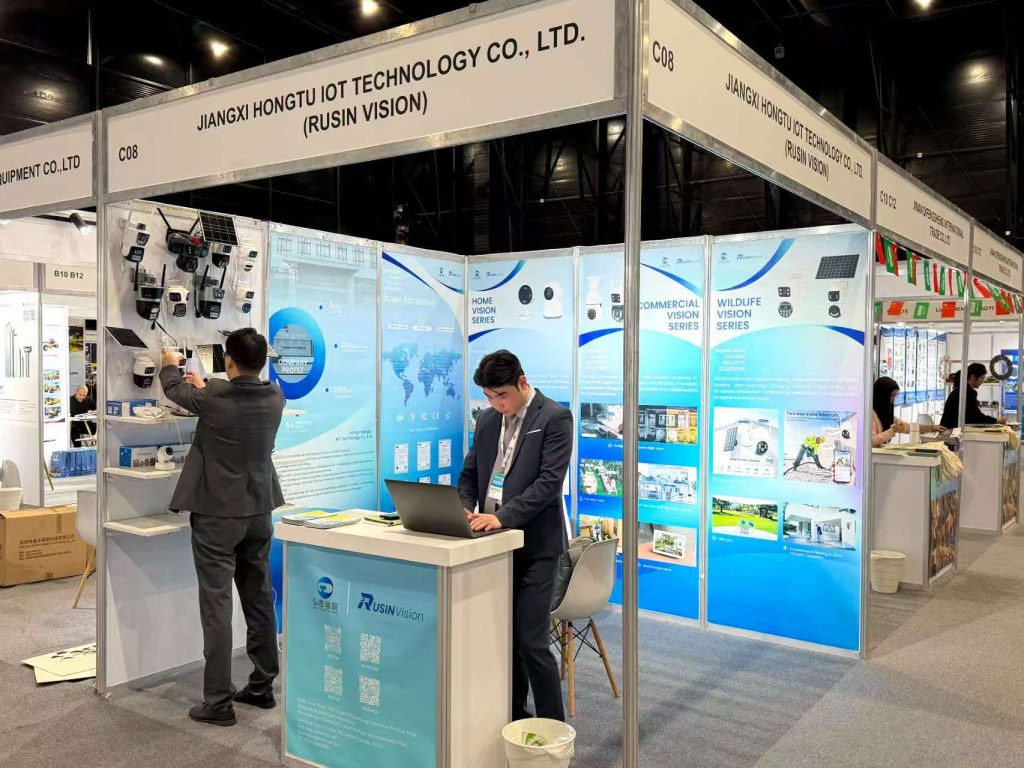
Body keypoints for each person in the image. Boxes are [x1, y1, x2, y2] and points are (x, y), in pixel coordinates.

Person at [159, 329, 285, 727]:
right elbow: (228, 397)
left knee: (217, 605)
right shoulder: (275, 396)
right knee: (258, 598)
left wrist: (169, 364)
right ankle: (262, 685)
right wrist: (205, 386)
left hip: (217, 515)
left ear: (228, 361)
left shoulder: (213, 397)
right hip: (259, 511)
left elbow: (174, 390)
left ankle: (217, 701)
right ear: (262, 361)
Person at [458, 350, 572, 722]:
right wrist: (463, 509)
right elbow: (470, 474)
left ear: (522, 382)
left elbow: (548, 484)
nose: (497, 404)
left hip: (536, 547)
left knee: (531, 641)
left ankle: (554, 730)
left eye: (502, 395)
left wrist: (502, 517)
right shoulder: (488, 419)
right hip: (492, 546)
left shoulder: (555, 417)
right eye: (489, 397)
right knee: (503, 639)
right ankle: (515, 718)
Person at [872, 376, 947, 447]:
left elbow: (907, 427)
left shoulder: (885, 413)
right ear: (882, 395)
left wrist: (931, 427)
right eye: (892, 395)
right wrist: (893, 430)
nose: (894, 399)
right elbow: (872, 441)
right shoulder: (870, 414)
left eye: (896, 395)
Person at [940, 363, 1005, 429]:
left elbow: (972, 416)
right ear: (973, 377)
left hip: (948, 428)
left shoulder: (961, 389)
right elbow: (976, 417)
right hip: (950, 431)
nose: (982, 381)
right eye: (982, 378)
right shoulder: (968, 392)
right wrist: (996, 420)